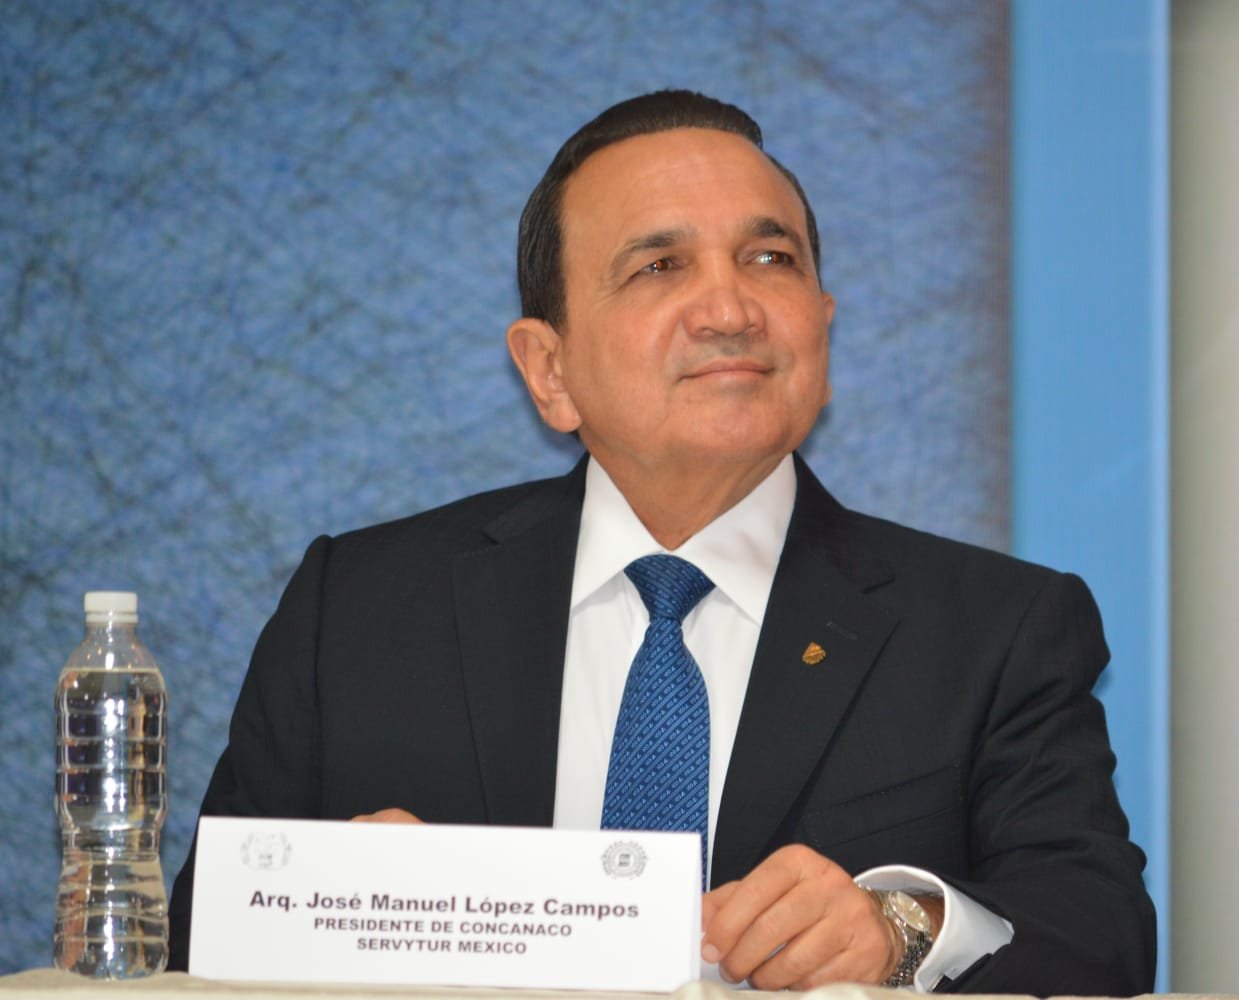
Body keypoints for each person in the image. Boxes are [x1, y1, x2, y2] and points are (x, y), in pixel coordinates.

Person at [168, 90, 1155, 993]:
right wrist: (331, 904)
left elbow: (1101, 934)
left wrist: (897, 931)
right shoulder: (359, 610)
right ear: (548, 370)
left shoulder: (996, 629)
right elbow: (193, 938)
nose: (730, 310)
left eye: (770, 259)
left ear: (821, 330)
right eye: (659, 266)